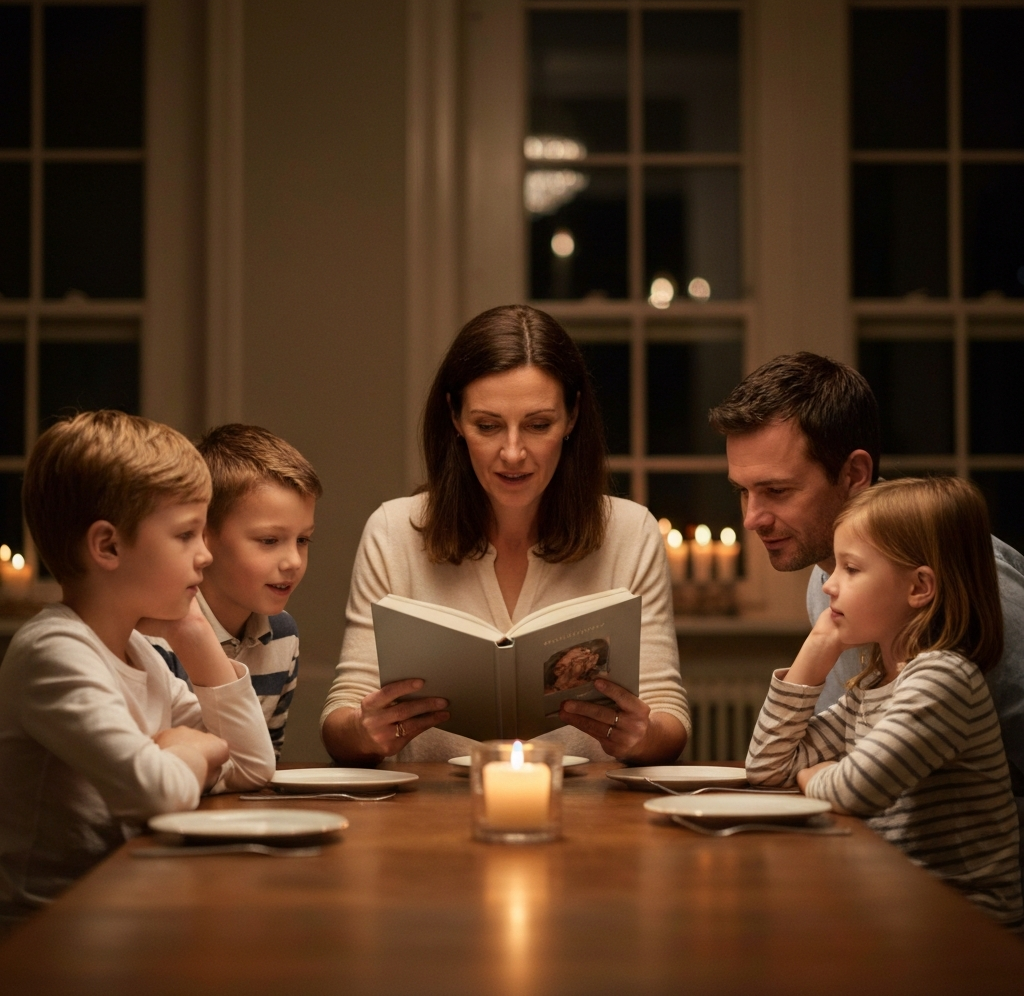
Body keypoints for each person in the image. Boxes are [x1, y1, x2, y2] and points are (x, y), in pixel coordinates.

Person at [320, 305, 689, 765]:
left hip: (590, 815)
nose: (512, 453)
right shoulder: (394, 531)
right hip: (429, 816)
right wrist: (363, 731)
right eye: (488, 426)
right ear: (455, 418)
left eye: (538, 425)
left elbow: (669, 717)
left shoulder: (631, 533)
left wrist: (642, 737)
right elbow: (341, 716)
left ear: (572, 417)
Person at [710, 351, 1024, 861]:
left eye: (776, 491)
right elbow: (796, 761)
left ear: (854, 473)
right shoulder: (829, 580)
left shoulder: (969, 581)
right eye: (743, 493)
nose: (752, 518)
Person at [0, 411, 275, 931]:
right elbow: (154, 792)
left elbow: (251, 765)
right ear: (107, 546)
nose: (205, 555)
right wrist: (183, 749)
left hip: (118, 906)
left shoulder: (139, 651)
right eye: (186, 534)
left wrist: (192, 633)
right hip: (42, 935)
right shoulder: (54, 653)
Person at [746, 477, 1022, 929]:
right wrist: (816, 648)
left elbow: (853, 791)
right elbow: (765, 767)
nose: (830, 586)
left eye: (850, 569)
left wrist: (815, 774)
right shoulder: (874, 686)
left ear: (919, 588)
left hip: (967, 930)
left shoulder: (942, 680)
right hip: (902, 906)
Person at [151, 424, 322, 758]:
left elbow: (264, 761)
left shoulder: (284, 635)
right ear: (205, 536)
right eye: (269, 541)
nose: (292, 562)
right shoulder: (157, 638)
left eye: (303, 540)